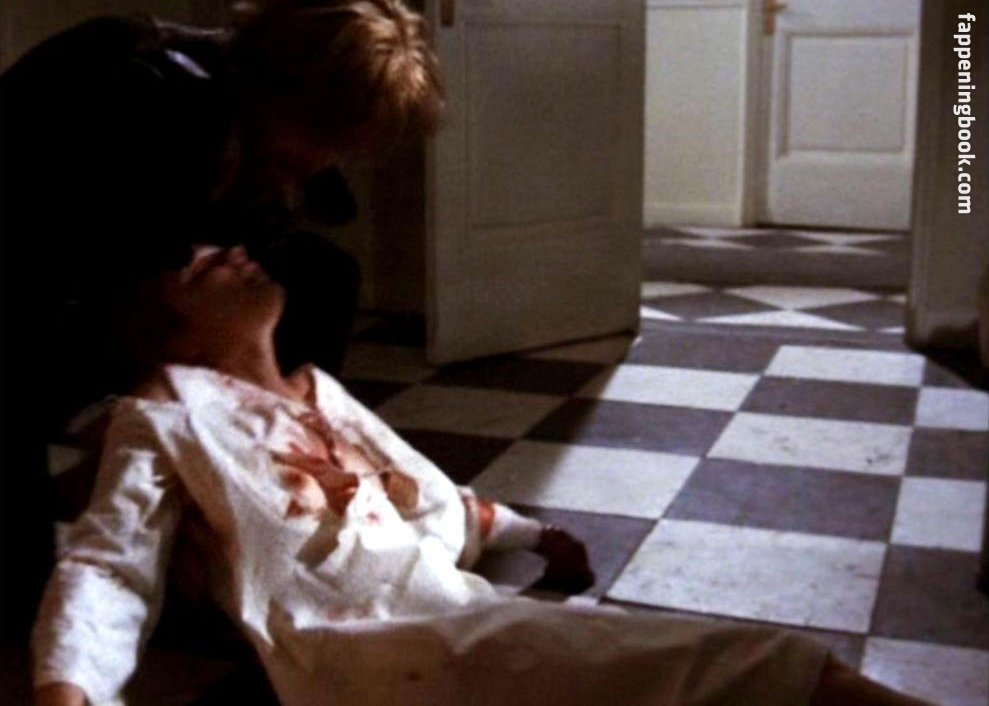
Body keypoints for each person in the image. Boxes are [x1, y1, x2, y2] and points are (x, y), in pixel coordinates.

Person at [32, 246, 938, 706]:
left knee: (706, 667)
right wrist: (67, 692)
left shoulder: (323, 393)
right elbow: (109, 565)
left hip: (465, 619)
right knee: (757, 668)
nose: (225, 252)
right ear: (170, 331)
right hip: (369, 655)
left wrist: (535, 535)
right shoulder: (165, 410)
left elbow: (430, 500)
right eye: (195, 266)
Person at [0, 0, 444, 644]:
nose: (320, 165)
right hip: (28, 281)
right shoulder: (138, 95)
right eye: (312, 145)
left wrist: (254, 436)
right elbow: (112, 288)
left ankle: (270, 498)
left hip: (107, 264)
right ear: (279, 86)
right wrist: (160, 433)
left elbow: (246, 257)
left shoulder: (260, 126)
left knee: (321, 276)